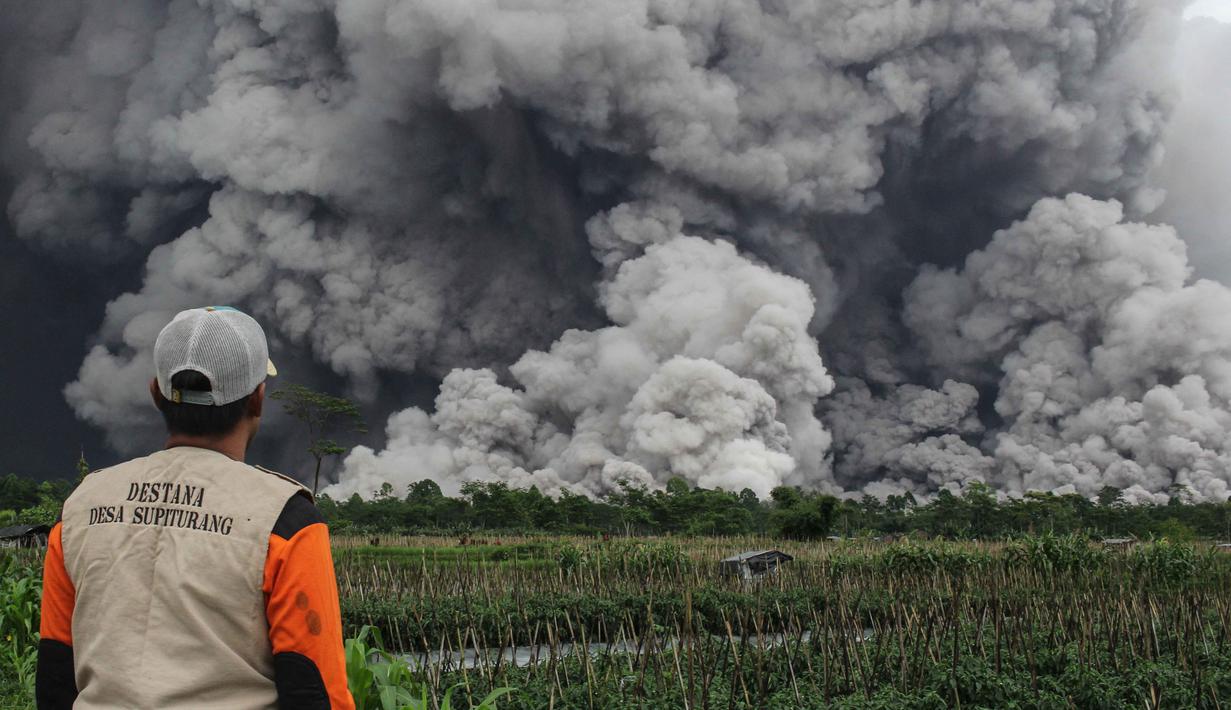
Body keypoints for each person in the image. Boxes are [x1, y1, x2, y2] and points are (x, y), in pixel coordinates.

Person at [36, 306, 355, 709]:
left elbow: (54, 673)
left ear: (156, 393)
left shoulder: (80, 508)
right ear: (258, 398)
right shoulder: (284, 520)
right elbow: (314, 691)